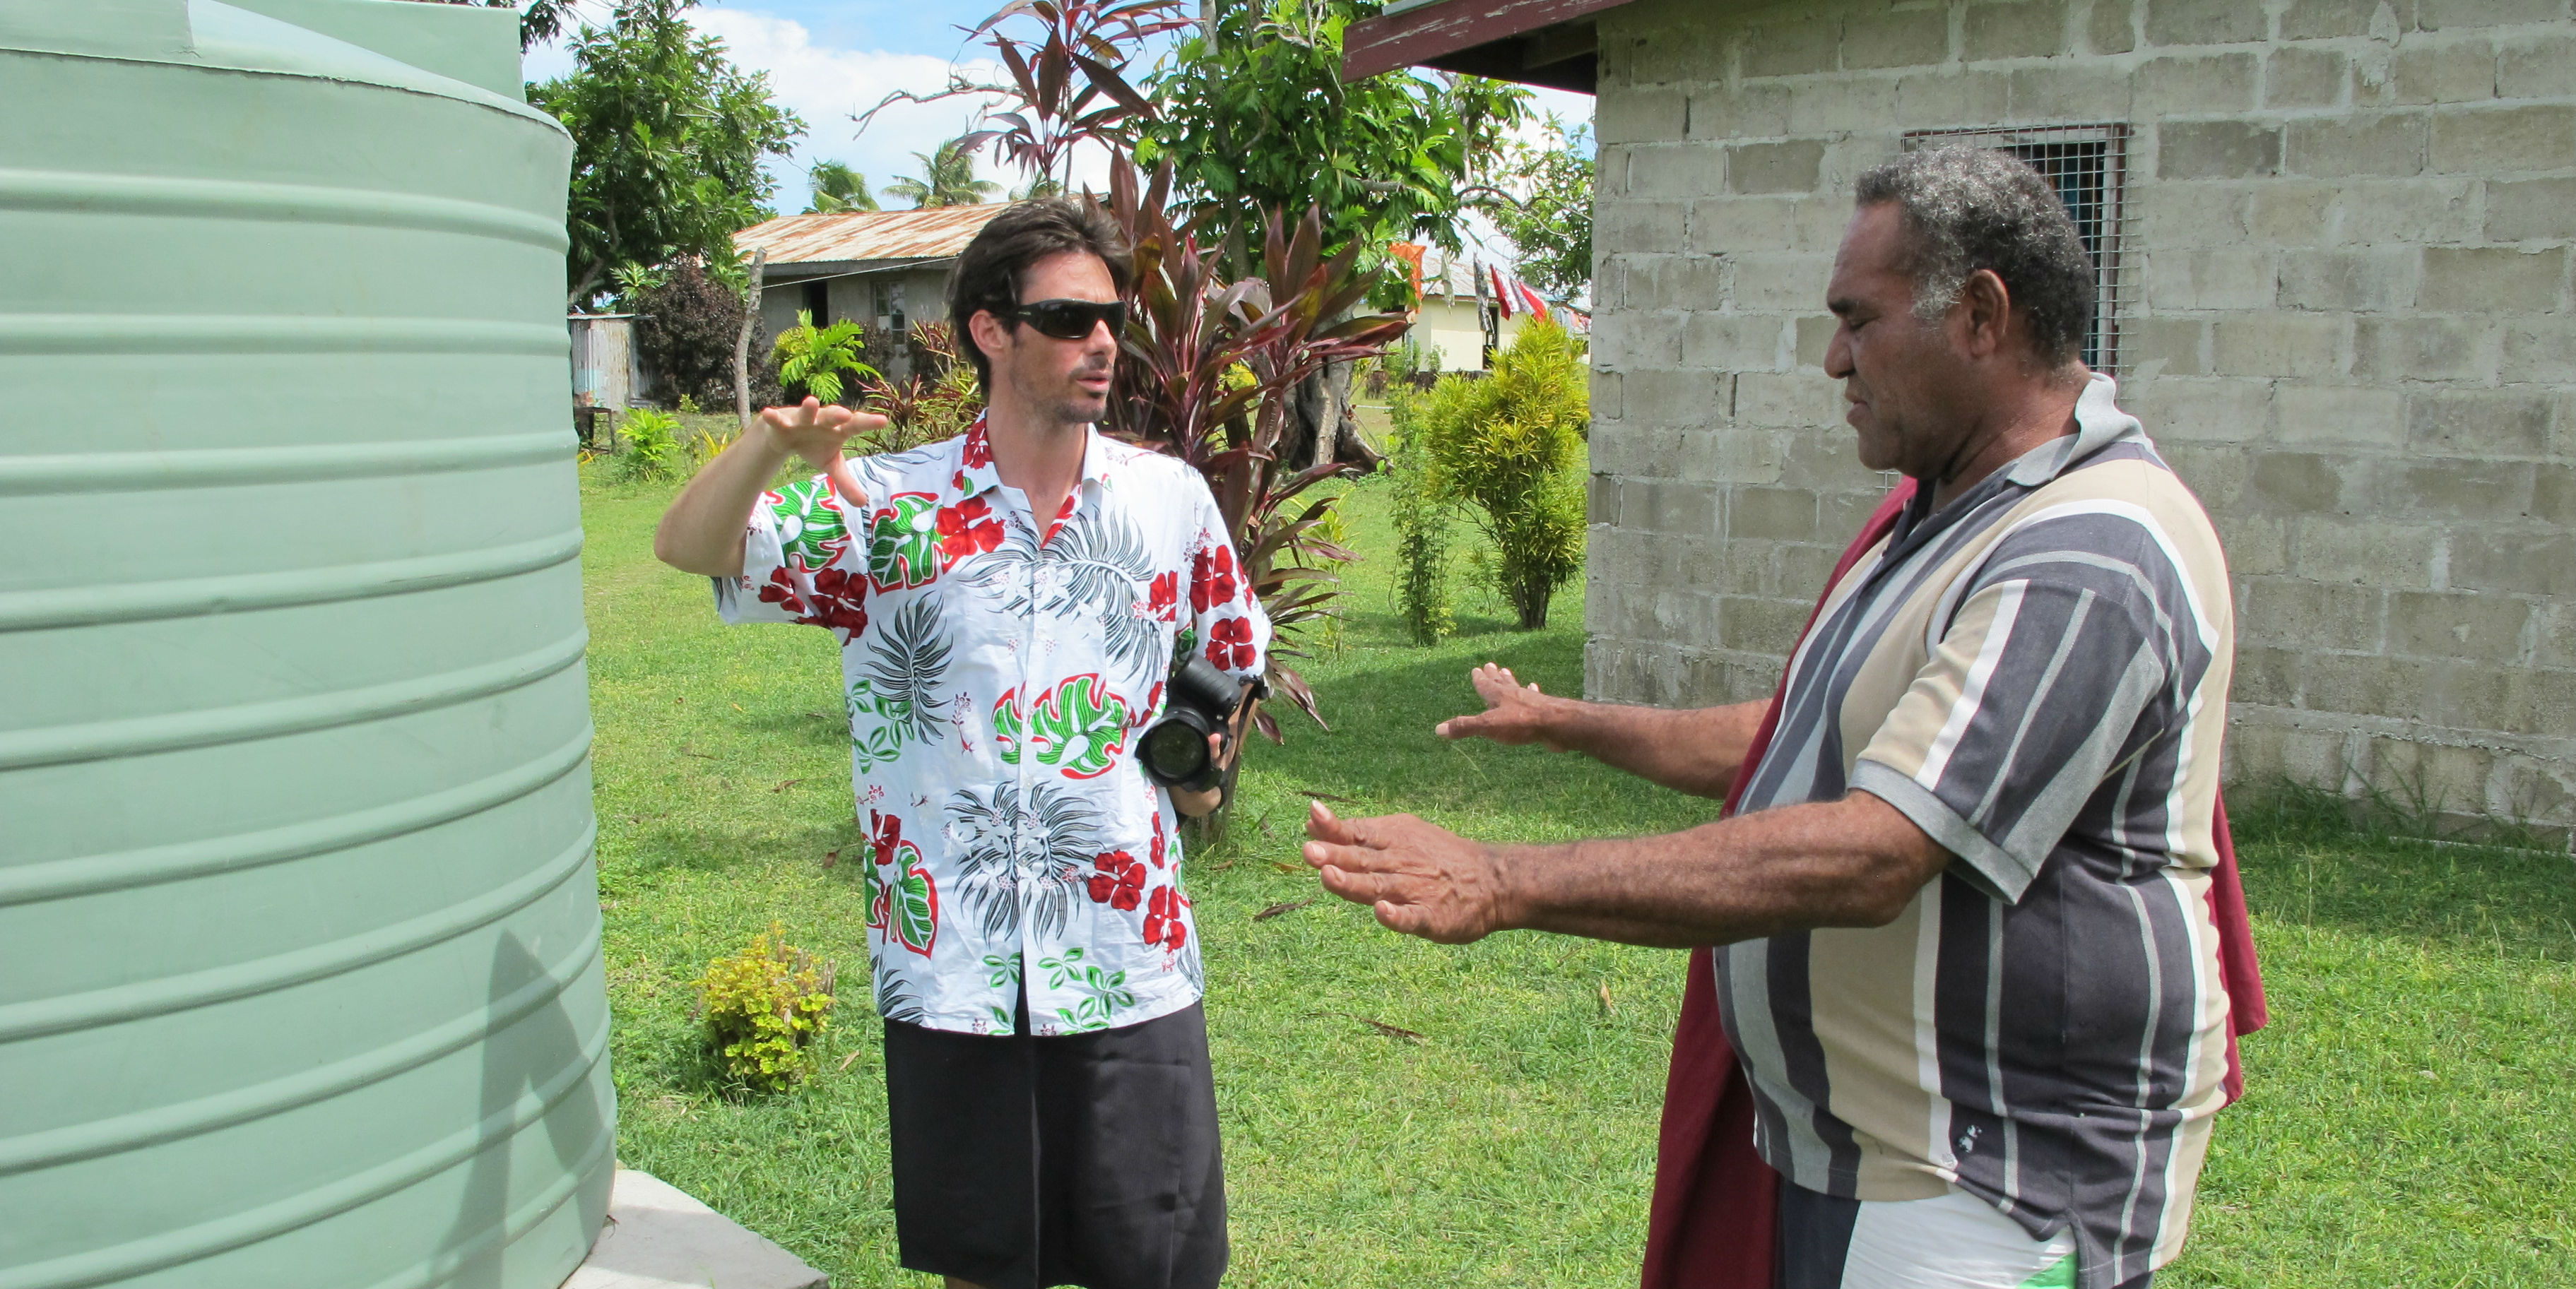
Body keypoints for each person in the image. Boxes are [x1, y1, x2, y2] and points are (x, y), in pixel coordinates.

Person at [1302, 145, 2258, 1289]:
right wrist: (1571, 721)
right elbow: (1806, 739)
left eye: (1859, 318)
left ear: (1982, 315)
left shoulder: (2086, 551)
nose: (1831, 358)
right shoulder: (1945, 517)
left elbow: (1874, 848)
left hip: (1987, 1190)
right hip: (1865, 1158)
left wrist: (1504, 878)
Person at [656, 197, 1265, 1289]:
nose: (1100, 343)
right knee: (988, 1263)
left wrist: (1200, 787)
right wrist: (763, 448)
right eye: (1069, 317)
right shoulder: (891, 506)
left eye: (1109, 319)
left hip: (1127, 949)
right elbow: (691, 547)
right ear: (991, 329)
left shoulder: (1167, 500)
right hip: (954, 963)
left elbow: (1229, 646)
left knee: (1161, 1260)